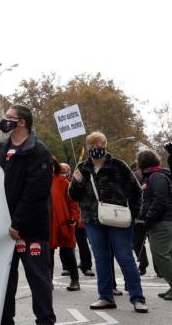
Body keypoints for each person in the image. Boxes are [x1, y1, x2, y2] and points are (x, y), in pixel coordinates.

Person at [0, 104, 55, 325]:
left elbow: (35, 193)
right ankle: (5, 319)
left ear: (22, 122)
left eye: (9, 117)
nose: (4, 120)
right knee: (5, 279)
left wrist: (17, 223)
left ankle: (45, 320)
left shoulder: (39, 151)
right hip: (3, 228)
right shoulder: (0, 148)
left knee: (38, 278)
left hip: (30, 229)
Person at [69, 131, 147, 313]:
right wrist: (76, 182)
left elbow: (136, 191)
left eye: (100, 146)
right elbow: (74, 196)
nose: (96, 150)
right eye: (93, 147)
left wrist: (133, 215)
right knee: (101, 259)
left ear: (106, 146)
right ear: (88, 148)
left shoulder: (119, 165)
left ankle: (137, 298)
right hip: (92, 220)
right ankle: (105, 297)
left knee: (125, 257)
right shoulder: (82, 167)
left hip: (118, 219)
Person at [136, 148, 172, 300]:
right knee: (164, 255)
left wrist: (148, 218)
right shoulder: (155, 176)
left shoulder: (156, 177)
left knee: (160, 256)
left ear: (143, 163)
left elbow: (160, 200)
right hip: (161, 221)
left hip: (161, 222)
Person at [50, 159, 81, 291]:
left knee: (68, 252)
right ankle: (48, 281)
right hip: (47, 224)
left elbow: (73, 202)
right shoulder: (37, 182)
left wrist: (73, 217)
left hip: (64, 222)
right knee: (47, 255)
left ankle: (75, 280)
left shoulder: (63, 182)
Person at [130, 162, 151, 276]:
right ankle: (143, 264)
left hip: (152, 217)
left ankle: (159, 270)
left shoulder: (151, 179)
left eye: (139, 169)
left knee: (155, 245)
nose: (137, 171)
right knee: (137, 243)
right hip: (137, 218)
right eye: (134, 169)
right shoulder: (131, 182)